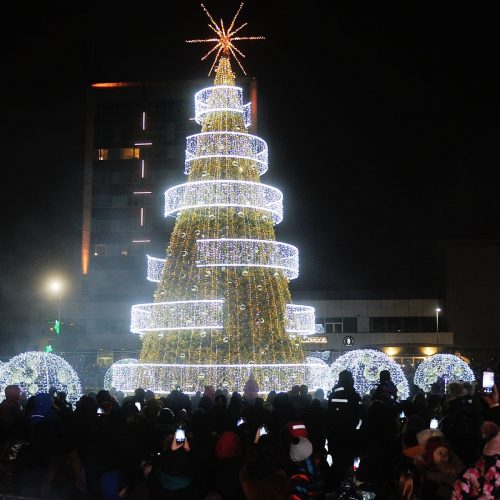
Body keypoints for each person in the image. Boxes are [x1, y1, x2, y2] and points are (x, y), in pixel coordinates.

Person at [326, 369, 362, 492]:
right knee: (348, 464)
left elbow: (329, 414)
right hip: (350, 435)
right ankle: (349, 488)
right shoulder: (353, 394)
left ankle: (335, 488)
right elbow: (360, 414)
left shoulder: (334, 393)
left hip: (336, 434)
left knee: (337, 464)